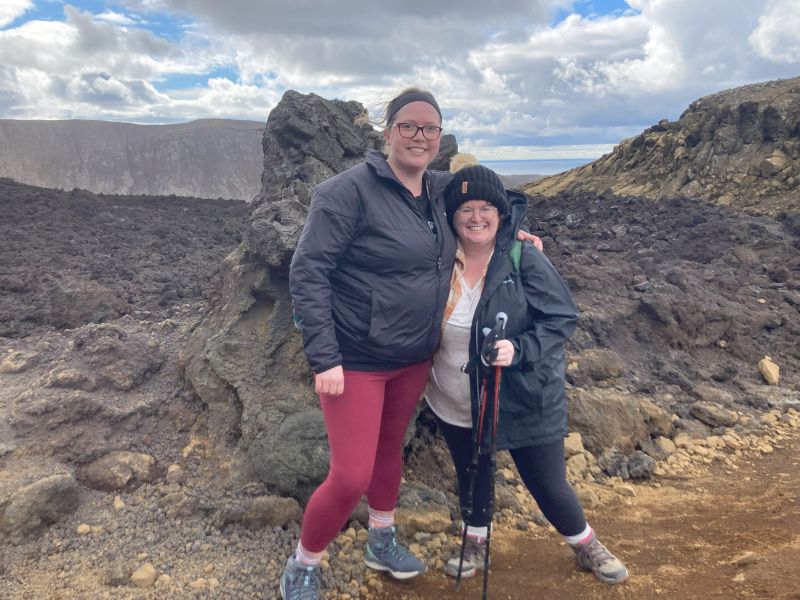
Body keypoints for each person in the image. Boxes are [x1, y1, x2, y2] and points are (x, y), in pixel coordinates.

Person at [285, 87, 541, 600]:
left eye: (429, 128)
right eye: (408, 126)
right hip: (355, 357)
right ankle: (303, 563)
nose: (419, 136)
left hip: (413, 356)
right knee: (350, 474)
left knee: (388, 450)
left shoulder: (441, 189)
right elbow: (308, 271)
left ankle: (381, 539)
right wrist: (325, 357)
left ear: (439, 137)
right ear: (388, 133)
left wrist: (516, 234)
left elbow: (490, 201)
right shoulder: (346, 192)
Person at [424, 154, 629, 586]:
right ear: (452, 216)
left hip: (521, 396)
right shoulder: (441, 259)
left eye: (486, 209)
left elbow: (561, 318)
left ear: (500, 213)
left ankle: (584, 541)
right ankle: (475, 538)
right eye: (466, 210)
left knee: (547, 482)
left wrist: (518, 349)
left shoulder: (523, 257)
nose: (476, 217)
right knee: (472, 475)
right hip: (454, 397)